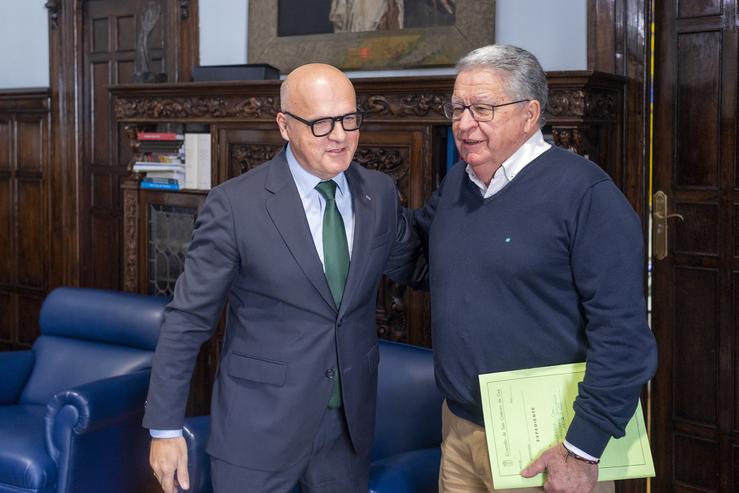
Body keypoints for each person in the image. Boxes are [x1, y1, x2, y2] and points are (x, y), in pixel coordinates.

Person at [144, 63, 418, 493]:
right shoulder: (234, 206)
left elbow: (416, 262)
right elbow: (187, 320)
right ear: (285, 125)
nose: (340, 136)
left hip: (346, 435)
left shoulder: (379, 192)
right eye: (322, 123)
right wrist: (164, 428)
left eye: (349, 119)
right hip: (257, 435)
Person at [413, 44, 658, 493]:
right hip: (459, 428)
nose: (464, 124)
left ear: (530, 114)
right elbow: (419, 257)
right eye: (458, 108)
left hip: (549, 443)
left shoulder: (587, 196)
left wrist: (581, 449)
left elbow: (624, 339)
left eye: (482, 109)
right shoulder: (456, 183)